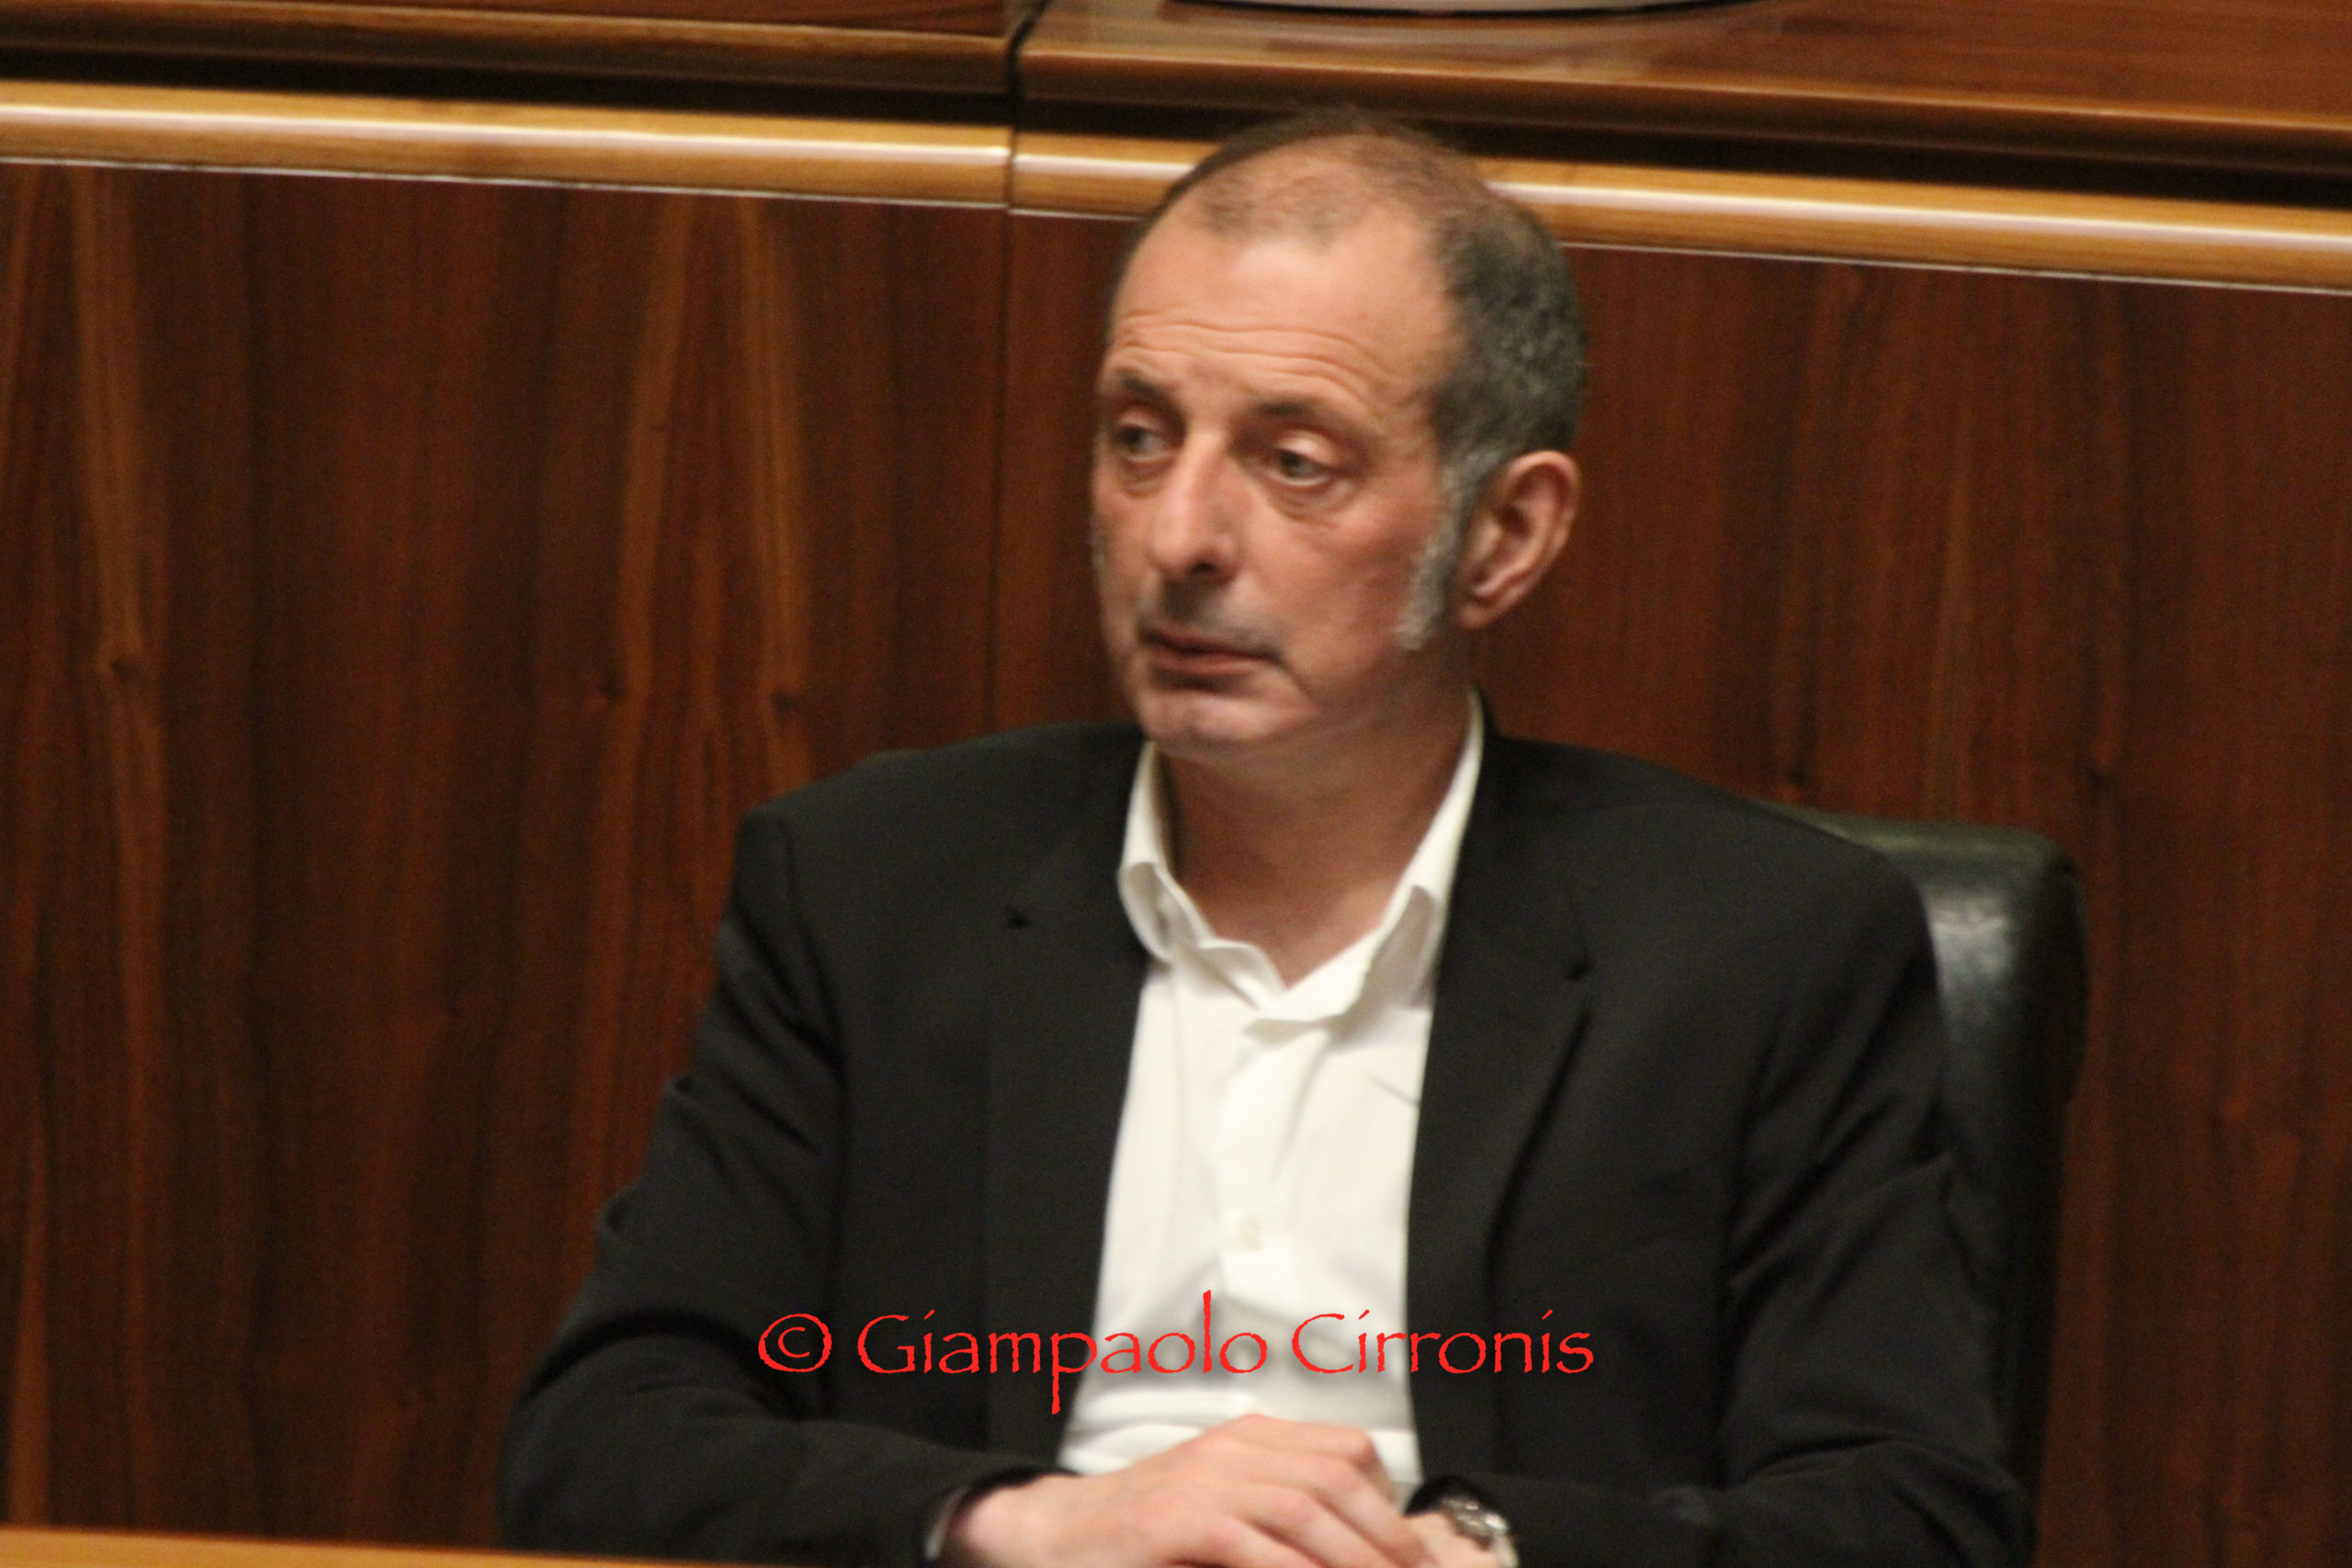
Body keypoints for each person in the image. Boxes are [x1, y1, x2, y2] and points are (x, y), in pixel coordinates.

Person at [501, 112, 2028, 1568]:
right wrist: (1028, 1528)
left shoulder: (1755, 950)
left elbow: (1907, 1515)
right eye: (1139, 438)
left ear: (1504, 537)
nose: (1179, 538)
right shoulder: (872, 887)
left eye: (1296, 461)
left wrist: (1470, 1552)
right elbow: (604, 1440)